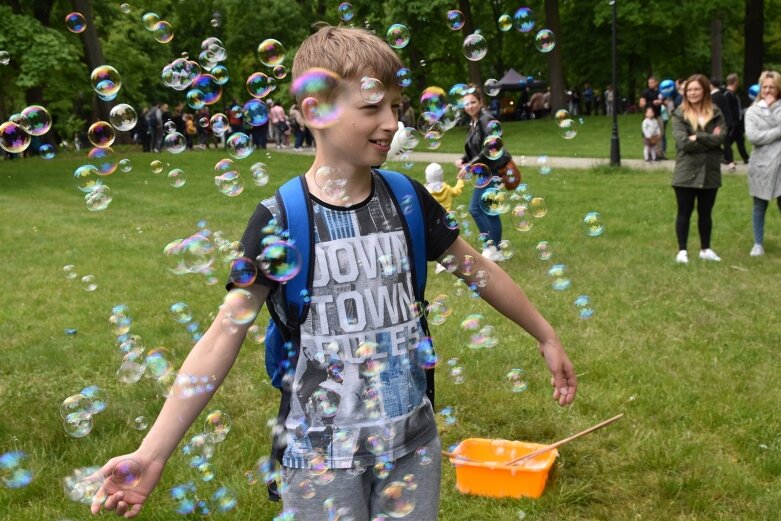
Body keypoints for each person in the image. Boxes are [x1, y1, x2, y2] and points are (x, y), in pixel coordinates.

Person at [88, 26, 577, 521]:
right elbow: (222, 334)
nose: (392, 123)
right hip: (317, 454)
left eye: (395, 107)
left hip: (412, 443)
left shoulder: (406, 198)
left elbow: (477, 269)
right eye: (372, 108)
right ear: (315, 112)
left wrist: (545, 333)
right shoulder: (281, 217)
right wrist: (151, 452)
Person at [671, 74, 726, 264]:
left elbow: (721, 138)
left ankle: (705, 249)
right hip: (686, 170)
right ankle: (682, 251)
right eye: (689, 90)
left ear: (705, 91)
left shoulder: (716, 112)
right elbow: (684, 143)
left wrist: (698, 137)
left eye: (696, 89)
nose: (693, 93)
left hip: (710, 170)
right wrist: (708, 138)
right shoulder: (679, 113)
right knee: (684, 212)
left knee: (706, 212)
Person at [456, 86, 511, 261]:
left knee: (476, 208)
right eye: (467, 103)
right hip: (483, 170)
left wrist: (469, 166)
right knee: (489, 211)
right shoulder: (473, 122)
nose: (470, 106)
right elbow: (476, 147)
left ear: (480, 102)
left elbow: (491, 147)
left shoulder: (486, 119)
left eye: (473, 102)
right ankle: (498, 251)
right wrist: (464, 159)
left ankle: (490, 247)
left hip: (491, 171)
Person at [744, 70, 781, 257]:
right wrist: (777, 132)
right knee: (759, 206)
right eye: (765, 87)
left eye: (772, 87)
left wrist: (774, 108)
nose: (768, 90)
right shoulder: (752, 111)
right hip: (762, 165)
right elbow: (753, 137)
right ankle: (758, 243)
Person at [425, 162, 465, 273]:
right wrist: (461, 180)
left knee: (438, 244)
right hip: (448, 219)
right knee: (450, 242)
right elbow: (457, 191)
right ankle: (449, 261)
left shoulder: (426, 190)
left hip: (434, 221)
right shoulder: (446, 188)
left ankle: (442, 264)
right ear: (441, 176)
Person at [724, 73, 751, 167]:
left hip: (737, 123)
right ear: (735, 82)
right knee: (728, 141)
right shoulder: (727, 95)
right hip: (733, 124)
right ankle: (725, 157)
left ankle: (746, 158)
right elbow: (727, 110)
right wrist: (731, 122)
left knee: (740, 140)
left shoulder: (733, 95)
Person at [639, 75, 667, 159]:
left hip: (658, 115)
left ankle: (659, 153)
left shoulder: (660, 92)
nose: (650, 84)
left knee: (659, 134)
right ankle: (649, 154)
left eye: (652, 82)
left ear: (656, 82)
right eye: (649, 83)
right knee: (648, 134)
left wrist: (660, 102)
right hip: (648, 116)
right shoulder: (646, 92)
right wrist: (651, 103)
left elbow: (666, 103)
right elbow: (641, 104)